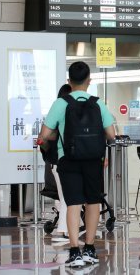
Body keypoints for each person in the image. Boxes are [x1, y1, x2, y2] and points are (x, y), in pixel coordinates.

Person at [38, 62, 116, 267]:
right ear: (89, 81)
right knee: (93, 202)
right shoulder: (98, 103)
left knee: (73, 203)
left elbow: (45, 135)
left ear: (69, 81)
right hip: (93, 160)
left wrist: (56, 135)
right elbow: (111, 134)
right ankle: (90, 248)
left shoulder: (61, 104)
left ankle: (74, 251)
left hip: (68, 160)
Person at [42, 84, 72, 243]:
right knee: (68, 198)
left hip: (55, 163)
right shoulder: (68, 114)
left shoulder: (55, 114)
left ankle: (70, 228)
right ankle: (62, 231)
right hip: (64, 163)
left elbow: (43, 140)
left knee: (65, 197)